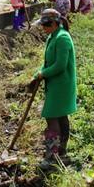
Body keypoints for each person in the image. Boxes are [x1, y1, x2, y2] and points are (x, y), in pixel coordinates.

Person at [30, 9, 77, 168]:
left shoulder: (62, 38)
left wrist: (43, 74)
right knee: (61, 117)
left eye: (46, 25)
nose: (43, 28)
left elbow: (60, 65)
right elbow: (48, 62)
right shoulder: (53, 36)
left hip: (61, 85)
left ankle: (52, 156)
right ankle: (60, 152)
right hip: (55, 84)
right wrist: (39, 73)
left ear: (55, 23)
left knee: (51, 116)